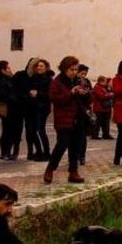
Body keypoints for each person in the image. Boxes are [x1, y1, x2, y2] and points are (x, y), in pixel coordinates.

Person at [43, 55, 86, 184]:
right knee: (61, 145)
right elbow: (55, 99)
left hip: (78, 118)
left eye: (75, 69)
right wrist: (71, 93)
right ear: (64, 69)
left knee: (75, 146)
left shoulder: (78, 81)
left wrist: (85, 93)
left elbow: (87, 100)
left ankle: (73, 172)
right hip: (64, 119)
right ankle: (50, 169)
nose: (73, 72)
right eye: (71, 69)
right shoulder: (57, 82)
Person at [23, 58, 53, 161]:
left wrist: (38, 94)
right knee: (31, 131)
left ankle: (46, 153)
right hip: (32, 107)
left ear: (46, 68)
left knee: (41, 130)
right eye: (37, 66)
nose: (39, 68)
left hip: (42, 108)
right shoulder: (33, 78)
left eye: (41, 66)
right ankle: (39, 151)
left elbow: (50, 95)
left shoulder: (49, 79)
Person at [0, 60, 22, 160]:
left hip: (14, 109)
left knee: (11, 130)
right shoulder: (1, 81)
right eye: (8, 68)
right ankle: (5, 152)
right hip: (8, 108)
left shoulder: (10, 79)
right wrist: (16, 100)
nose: (10, 69)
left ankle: (9, 152)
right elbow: (4, 95)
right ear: (3, 70)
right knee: (7, 131)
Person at [73, 64, 93, 165]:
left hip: (85, 112)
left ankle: (82, 156)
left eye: (85, 74)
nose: (83, 76)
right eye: (82, 73)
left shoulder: (87, 82)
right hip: (75, 112)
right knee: (75, 136)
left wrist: (87, 93)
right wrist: (78, 92)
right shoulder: (73, 81)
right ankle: (74, 156)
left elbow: (91, 97)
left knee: (83, 136)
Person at [91, 74, 113, 140]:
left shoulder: (105, 87)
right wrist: (110, 95)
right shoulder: (97, 87)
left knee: (106, 123)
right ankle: (95, 135)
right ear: (101, 81)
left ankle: (106, 134)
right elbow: (101, 96)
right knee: (98, 123)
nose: (106, 83)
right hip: (99, 108)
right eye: (105, 81)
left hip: (105, 108)